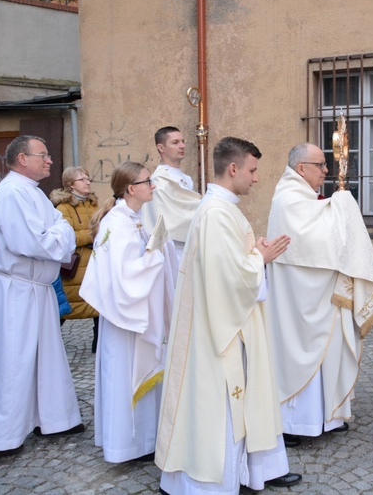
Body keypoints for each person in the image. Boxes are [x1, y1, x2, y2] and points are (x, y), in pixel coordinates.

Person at [155, 136, 301, 493]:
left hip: (220, 323)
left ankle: (244, 471)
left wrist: (253, 251)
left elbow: (228, 263)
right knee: (217, 405)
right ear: (233, 168)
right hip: (216, 334)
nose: (255, 178)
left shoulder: (222, 208)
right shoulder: (217, 213)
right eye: (251, 170)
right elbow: (227, 280)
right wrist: (259, 260)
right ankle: (205, 484)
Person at [0, 135, 83, 457]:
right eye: (43, 155)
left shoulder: (32, 193)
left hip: (35, 291)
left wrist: (60, 230)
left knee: (45, 358)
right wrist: (62, 232)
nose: (50, 160)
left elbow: (59, 227)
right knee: (9, 361)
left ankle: (53, 418)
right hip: (14, 292)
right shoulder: (12, 193)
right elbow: (35, 242)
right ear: (22, 159)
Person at [265, 143, 373, 448]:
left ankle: (327, 416)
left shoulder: (307, 199)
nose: (326, 171)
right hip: (299, 301)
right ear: (301, 168)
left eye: (325, 164)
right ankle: (295, 423)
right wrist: (342, 205)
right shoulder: (287, 199)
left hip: (323, 294)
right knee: (300, 355)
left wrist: (338, 205)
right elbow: (316, 236)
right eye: (320, 165)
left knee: (329, 352)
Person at [79, 161, 176, 463]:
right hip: (124, 318)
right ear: (131, 188)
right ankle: (125, 445)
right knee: (122, 376)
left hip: (137, 314)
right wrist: (155, 256)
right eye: (148, 182)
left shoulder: (133, 218)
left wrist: (161, 249)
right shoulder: (116, 223)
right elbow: (122, 277)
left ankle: (145, 441)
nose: (153, 186)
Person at [50, 166, 101, 352]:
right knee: (67, 306)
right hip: (76, 266)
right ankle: (47, 343)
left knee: (98, 306)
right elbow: (67, 236)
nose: (88, 182)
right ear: (71, 185)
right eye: (82, 179)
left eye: (88, 178)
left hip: (95, 263)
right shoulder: (63, 208)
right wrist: (93, 235)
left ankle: (99, 345)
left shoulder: (94, 204)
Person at [143, 126, 202, 264]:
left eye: (183, 141)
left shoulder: (186, 179)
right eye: (175, 143)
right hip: (171, 252)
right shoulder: (158, 181)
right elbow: (169, 221)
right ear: (161, 148)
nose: (182, 146)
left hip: (190, 248)